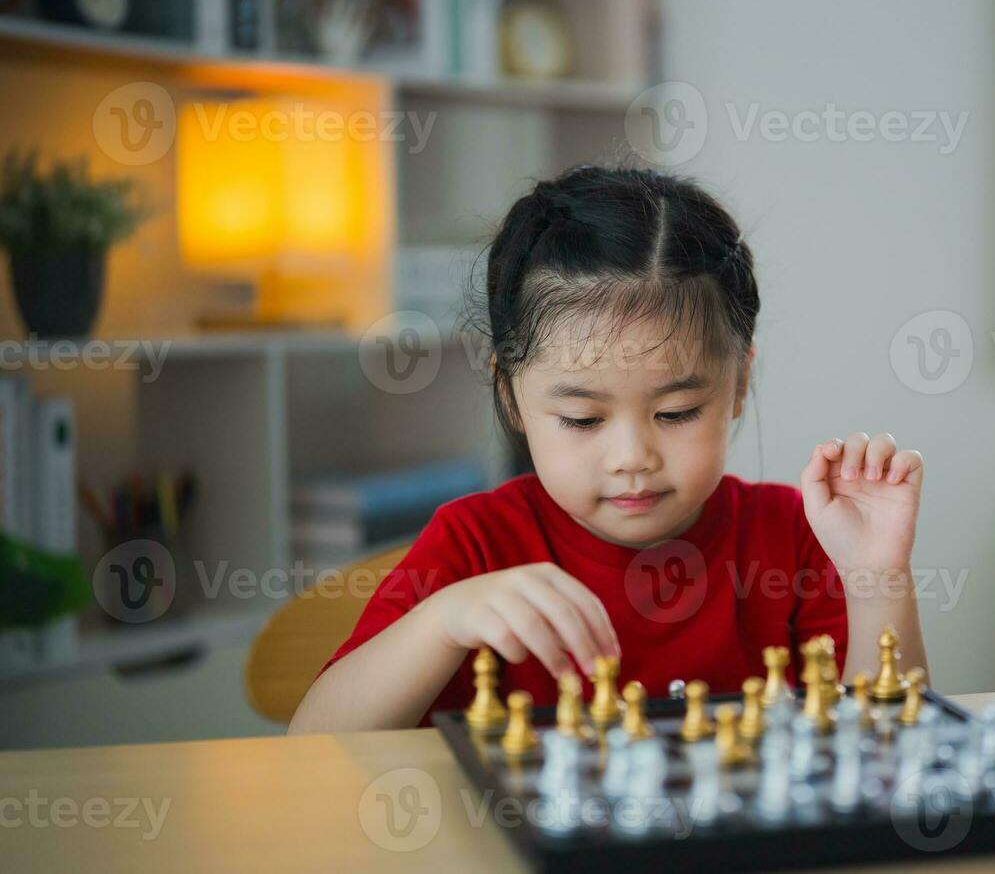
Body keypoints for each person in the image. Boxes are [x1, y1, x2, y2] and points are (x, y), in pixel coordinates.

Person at [289, 165, 929, 733]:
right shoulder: (474, 545)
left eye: (676, 412)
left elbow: (888, 750)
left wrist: (877, 574)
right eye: (581, 418)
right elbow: (312, 746)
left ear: (739, 385)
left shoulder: (793, 534)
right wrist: (443, 620)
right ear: (511, 397)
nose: (632, 457)